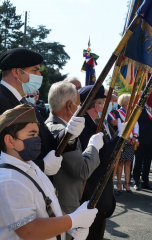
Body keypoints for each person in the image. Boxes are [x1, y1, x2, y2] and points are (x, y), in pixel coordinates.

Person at [0, 104, 98, 240]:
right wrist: (72, 220)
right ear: (10, 140)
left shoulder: (29, 165)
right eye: (32, 134)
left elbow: (51, 206)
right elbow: (28, 230)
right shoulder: (9, 180)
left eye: (37, 134)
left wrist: (69, 226)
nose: (37, 139)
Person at [0, 48, 84, 176]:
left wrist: (69, 133)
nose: (40, 76)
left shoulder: (27, 105)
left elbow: (48, 141)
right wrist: (40, 166)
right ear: (16, 72)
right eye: (34, 70)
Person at [46, 81, 104, 240]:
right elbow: (82, 170)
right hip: (65, 206)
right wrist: (94, 147)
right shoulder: (61, 131)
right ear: (70, 105)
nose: (81, 109)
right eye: (79, 105)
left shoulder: (50, 126)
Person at [79, 85, 126, 240]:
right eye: (103, 102)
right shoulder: (85, 124)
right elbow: (101, 155)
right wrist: (121, 136)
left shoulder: (97, 122)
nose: (105, 106)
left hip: (100, 191)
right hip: (91, 191)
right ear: (95, 105)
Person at [108, 94, 139, 193]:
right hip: (122, 140)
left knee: (129, 163)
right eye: (130, 100)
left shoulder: (131, 113)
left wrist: (134, 137)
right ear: (126, 102)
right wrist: (129, 138)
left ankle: (127, 183)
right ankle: (119, 184)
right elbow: (120, 127)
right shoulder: (116, 113)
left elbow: (136, 125)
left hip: (131, 141)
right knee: (120, 163)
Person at [133, 104, 152, 191]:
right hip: (141, 140)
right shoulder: (140, 109)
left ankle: (145, 182)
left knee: (147, 163)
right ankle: (136, 181)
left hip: (151, 140)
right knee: (138, 162)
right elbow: (135, 123)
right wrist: (136, 138)